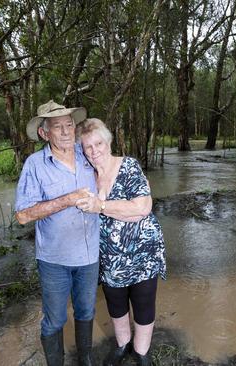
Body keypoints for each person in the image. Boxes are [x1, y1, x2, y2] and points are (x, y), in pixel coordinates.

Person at [74, 118, 166, 366]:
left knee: (143, 303)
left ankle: (141, 351)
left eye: (99, 143)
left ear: (109, 141)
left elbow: (143, 207)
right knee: (115, 303)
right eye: (87, 147)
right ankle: (123, 344)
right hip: (109, 257)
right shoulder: (86, 176)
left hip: (142, 253)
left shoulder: (128, 166)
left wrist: (101, 206)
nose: (95, 151)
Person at [14, 100, 99, 366]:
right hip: (54, 260)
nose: (65, 131)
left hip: (89, 255)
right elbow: (23, 215)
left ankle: (85, 359)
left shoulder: (88, 154)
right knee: (55, 319)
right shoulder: (35, 164)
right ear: (44, 132)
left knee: (86, 311)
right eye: (58, 127)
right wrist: (67, 199)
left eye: (69, 125)